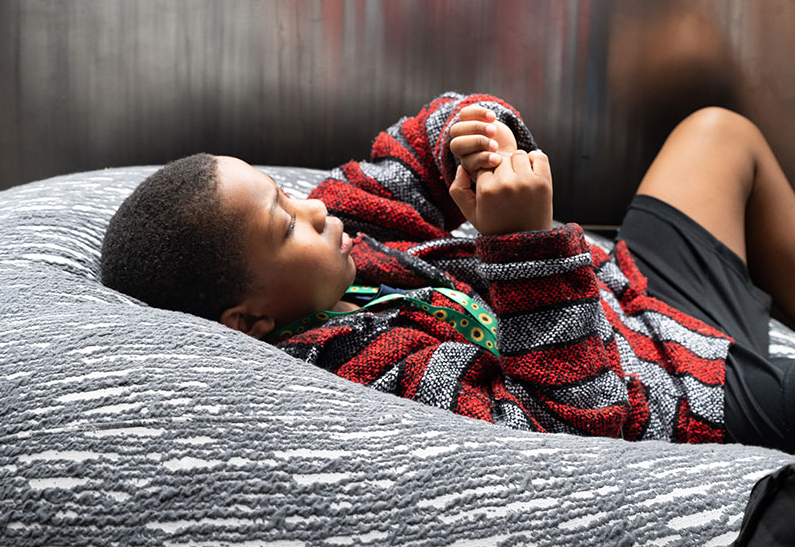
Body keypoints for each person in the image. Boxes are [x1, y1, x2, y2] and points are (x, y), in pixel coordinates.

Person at [100, 92, 795, 452]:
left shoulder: (340, 241)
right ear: (250, 321)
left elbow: (407, 154)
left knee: (718, 132)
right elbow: (578, 431)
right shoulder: (363, 374)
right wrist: (527, 243)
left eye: (281, 191)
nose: (310, 208)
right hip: (681, 396)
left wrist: (471, 133)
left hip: (637, 295)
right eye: (284, 226)